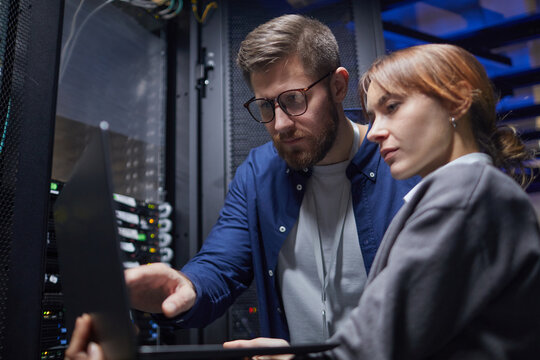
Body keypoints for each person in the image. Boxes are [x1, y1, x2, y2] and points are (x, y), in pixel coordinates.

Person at [64, 14, 417, 359]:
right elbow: (221, 265)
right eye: (265, 105)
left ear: (338, 86)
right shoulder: (258, 171)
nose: (280, 124)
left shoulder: (405, 164)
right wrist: (185, 287)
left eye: (294, 99)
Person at [225, 43, 540, 358]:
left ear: (456, 101)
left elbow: (378, 348)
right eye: (373, 116)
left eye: (392, 107)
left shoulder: (464, 195)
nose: (374, 132)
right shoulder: (467, 192)